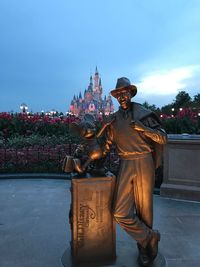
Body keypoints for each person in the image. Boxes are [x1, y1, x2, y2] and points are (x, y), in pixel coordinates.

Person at [101, 77, 167, 266]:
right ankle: (148, 237)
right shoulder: (113, 121)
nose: (122, 96)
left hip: (144, 162)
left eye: (125, 93)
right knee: (119, 212)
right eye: (118, 94)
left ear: (131, 93)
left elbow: (163, 138)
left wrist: (144, 129)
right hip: (125, 163)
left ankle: (145, 249)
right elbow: (105, 146)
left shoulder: (144, 115)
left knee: (145, 209)